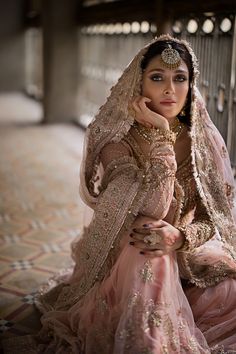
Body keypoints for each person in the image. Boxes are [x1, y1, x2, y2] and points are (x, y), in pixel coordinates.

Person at [4, 34, 236, 354]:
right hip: (123, 252)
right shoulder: (117, 141)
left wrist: (180, 237)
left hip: (179, 250)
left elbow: (214, 218)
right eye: (157, 78)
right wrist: (163, 139)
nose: (170, 89)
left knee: (227, 290)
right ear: (138, 84)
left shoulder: (203, 142)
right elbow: (153, 208)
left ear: (191, 84)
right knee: (146, 243)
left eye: (180, 78)